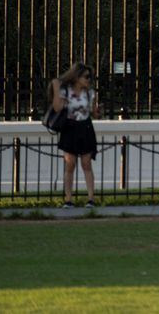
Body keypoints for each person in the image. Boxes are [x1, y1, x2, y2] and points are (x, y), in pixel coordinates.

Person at [51, 63, 100, 208]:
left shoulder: (90, 93)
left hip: (85, 127)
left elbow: (93, 113)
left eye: (90, 77)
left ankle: (91, 198)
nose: (88, 80)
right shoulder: (66, 91)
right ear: (77, 76)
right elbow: (57, 107)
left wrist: (97, 112)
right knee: (70, 164)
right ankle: (68, 199)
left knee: (86, 163)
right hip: (70, 127)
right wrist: (56, 89)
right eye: (86, 76)